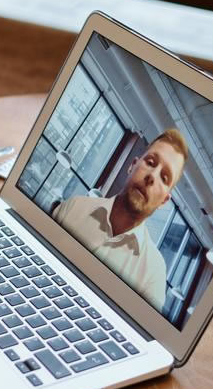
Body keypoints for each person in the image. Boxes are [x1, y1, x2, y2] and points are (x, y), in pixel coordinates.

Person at [50, 130, 189, 311]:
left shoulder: (153, 274)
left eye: (164, 178)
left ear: (164, 201)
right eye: (150, 162)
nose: (152, 177)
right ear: (132, 166)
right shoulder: (74, 207)